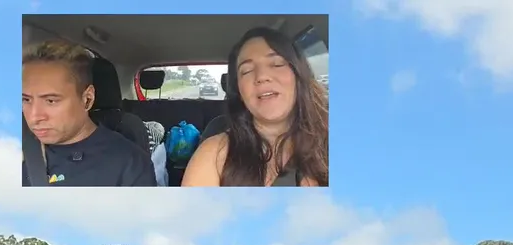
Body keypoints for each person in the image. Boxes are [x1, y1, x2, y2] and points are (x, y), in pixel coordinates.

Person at [182, 27, 329, 187]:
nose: (262, 76)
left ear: (298, 74)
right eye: (246, 71)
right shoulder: (215, 155)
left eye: (277, 64)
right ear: (239, 90)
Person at [21, 40, 157, 187]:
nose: (34, 117)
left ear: (87, 99)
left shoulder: (130, 164)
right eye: (26, 99)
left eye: (51, 101)